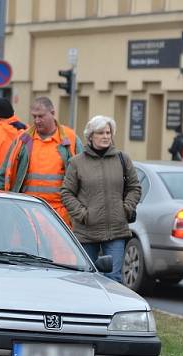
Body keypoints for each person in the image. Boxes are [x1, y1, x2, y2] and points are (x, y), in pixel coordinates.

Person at [61, 115, 141, 282]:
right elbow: (67, 193)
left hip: (116, 231)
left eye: (108, 132)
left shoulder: (122, 159)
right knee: (86, 279)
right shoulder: (77, 162)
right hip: (86, 232)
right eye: (101, 133)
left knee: (113, 279)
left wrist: (126, 208)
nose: (106, 136)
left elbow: (135, 188)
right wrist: (83, 214)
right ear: (90, 136)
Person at [0, 96, 82, 226]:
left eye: (41, 116)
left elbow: (83, 174)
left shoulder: (70, 139)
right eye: (34, 116)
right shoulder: (23, 140)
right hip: (27, 211)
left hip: (60, 214)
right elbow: (4, 174)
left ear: (53, 114)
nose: (37, 120)